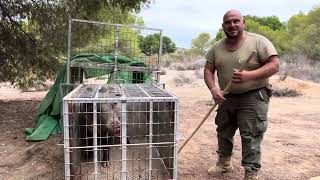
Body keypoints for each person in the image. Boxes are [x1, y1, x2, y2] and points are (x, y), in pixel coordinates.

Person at [204, 9, 280, 180]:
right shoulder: (217, 47)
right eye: (228, 22)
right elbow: (208, 70)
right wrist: (214, 90)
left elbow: (274, 65)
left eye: (236, 21)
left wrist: (248, 75)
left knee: (250, 134)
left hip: (252, 96)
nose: (232, 25)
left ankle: (251, 173)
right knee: (223, 130)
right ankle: (224, 163)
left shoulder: (259, 41)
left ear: (243, 23)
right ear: (223, 25)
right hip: (226, 96)